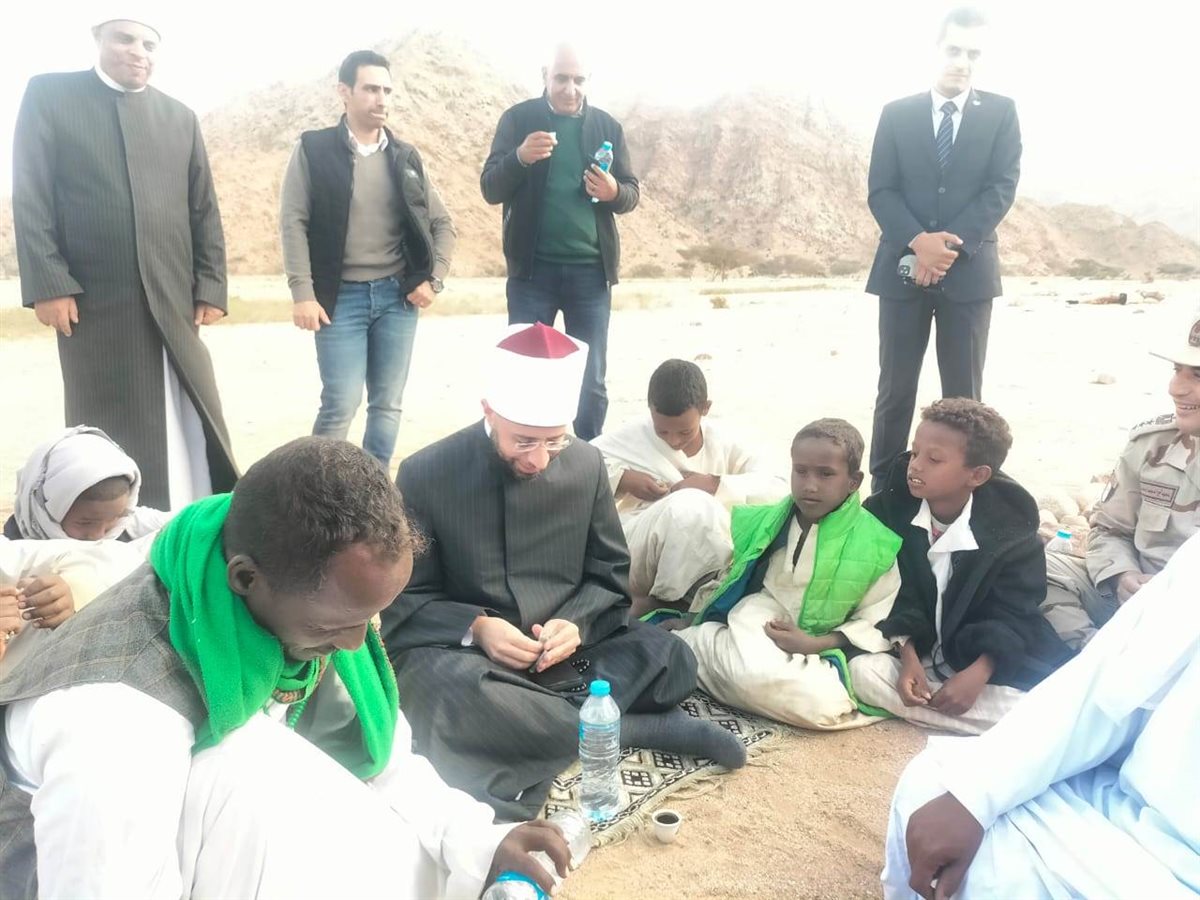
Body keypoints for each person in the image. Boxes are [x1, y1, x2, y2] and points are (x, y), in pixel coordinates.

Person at [0, 437, 572, 899]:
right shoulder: (117, 725)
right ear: (246, 578)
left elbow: (387, 767)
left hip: (195, 846)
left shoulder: (288, 599)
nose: (356, 644)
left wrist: (476, 842)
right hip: (54, 875)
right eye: (336, 625)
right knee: (247, 769)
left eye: (369, 618)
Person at [382, 323, 745, 821]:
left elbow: (609, 573)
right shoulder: (426, 471)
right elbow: (406, 598)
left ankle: (535, 727)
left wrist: (576, 623)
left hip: (572, 653)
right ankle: (628, 728)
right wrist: (477, 627)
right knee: (438, 693)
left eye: (553, 441)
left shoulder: (586, 463)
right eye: (523, 441)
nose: (538, 460)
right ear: (489, 411)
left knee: (672, 657)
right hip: (470, 659)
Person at [881, 531, 1200, 900]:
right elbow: (1109, 684)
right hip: (1128, 810)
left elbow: (1014, 616)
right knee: (933, 783)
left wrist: (985, 665)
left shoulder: (1005, 519)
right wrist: (977, 793)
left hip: (1174, 865)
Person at [12, 14, 237, 509]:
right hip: (92, 298)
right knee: (108, 415)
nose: (139, 51)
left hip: (173, 291)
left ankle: (194, 511)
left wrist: (210, 284)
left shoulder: (179, 117)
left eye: (149, 44)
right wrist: (49, 282)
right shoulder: (50, 95)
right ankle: (114, 522)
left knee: (191, 409)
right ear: (97, 38)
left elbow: (203, 207)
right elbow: (31, 195)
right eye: (125, 38)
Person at [864, 7, 1022, 491]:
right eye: (954, 49)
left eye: (974, 53)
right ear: (934, 50)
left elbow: (1001, 187)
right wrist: (919, 242)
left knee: (964, 398)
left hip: (968, 275)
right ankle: (886, 490)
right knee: (894, 390)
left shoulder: (1001, 112)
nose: (963, 62)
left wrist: (947, 248)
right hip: (902, 272)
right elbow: (881, 190)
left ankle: (960, 493)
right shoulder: (897, 113)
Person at [851, 399, 1073, 734]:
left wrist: (979, 673)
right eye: (914, 453)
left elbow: (1015, 612)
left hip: (984, 662)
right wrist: (908, 655)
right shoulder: (888, 511)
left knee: (1051, 703)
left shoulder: (1010, 532)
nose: (915, 466)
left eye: (934, 459)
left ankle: (1023, 722)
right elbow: (887, 593)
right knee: (862, 672)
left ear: (977, 475)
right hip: (917, 653)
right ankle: (1019, 729)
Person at [281, 50, 457, 470]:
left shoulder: (405, 157)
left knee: (387, 404)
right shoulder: (314, 149)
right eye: (371, 89)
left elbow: (443, 224)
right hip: (339, 299)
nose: (382, 99)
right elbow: (293, 222)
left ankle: (374, 490)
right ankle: (314, 492)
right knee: (340, 403)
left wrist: (433, 279)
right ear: (344, 91)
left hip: (397, 299)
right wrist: (303, 293)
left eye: (387, 90)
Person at [671, 419, 902, 730]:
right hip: (761, 620)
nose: (810, 485)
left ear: (853, 481)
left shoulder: (877, 544)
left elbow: (876, 619)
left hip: (826, 643)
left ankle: (689, 651)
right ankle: (696, 641)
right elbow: (735, 578)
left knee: (823, 705)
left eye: (825, 474)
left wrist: (814, 644)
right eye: (800, 471)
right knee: (752, 675)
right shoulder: (769, 521)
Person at [480, 42, 640, 440]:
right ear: (545, 77)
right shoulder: (518, 119)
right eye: (562, 79)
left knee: (591, 379)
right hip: (532, 275)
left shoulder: (607, 127)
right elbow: (490, 188)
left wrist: (613, 191)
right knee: (524, 369)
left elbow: (631, 193)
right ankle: (522, 454)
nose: (571, 89)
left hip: (591, 275)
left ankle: (588, 457)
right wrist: (519, 157)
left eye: (579, 80)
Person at [1041, 312, 1200, 647]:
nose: (1176, 388)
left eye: (1198, 375)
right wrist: (1122, 576)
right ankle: (1095, 657)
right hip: (1136, 603)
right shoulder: (1151, 444)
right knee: (1035, 569)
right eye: (1177, 370)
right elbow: (1109, 529)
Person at [591, 359, 786, 615]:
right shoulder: (630, 437)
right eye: (663, 432)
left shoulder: (727, 441)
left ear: (705, 408)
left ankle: (681, 603)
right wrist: (622, 479)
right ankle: (670, 602)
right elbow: (572, 463)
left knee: (700, 508)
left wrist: (715, 484)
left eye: (684, 432)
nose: (673, 441)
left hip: (716, 554)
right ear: (650, 410)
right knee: (689, 506)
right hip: (636, 553)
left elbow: (780, 487)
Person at [0, 425, 171, 651]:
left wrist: (82, 592)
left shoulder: (131, 528)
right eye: (85, 523)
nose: (98, 536)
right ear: (47, 509)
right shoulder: (13, 559)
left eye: (113, 520)